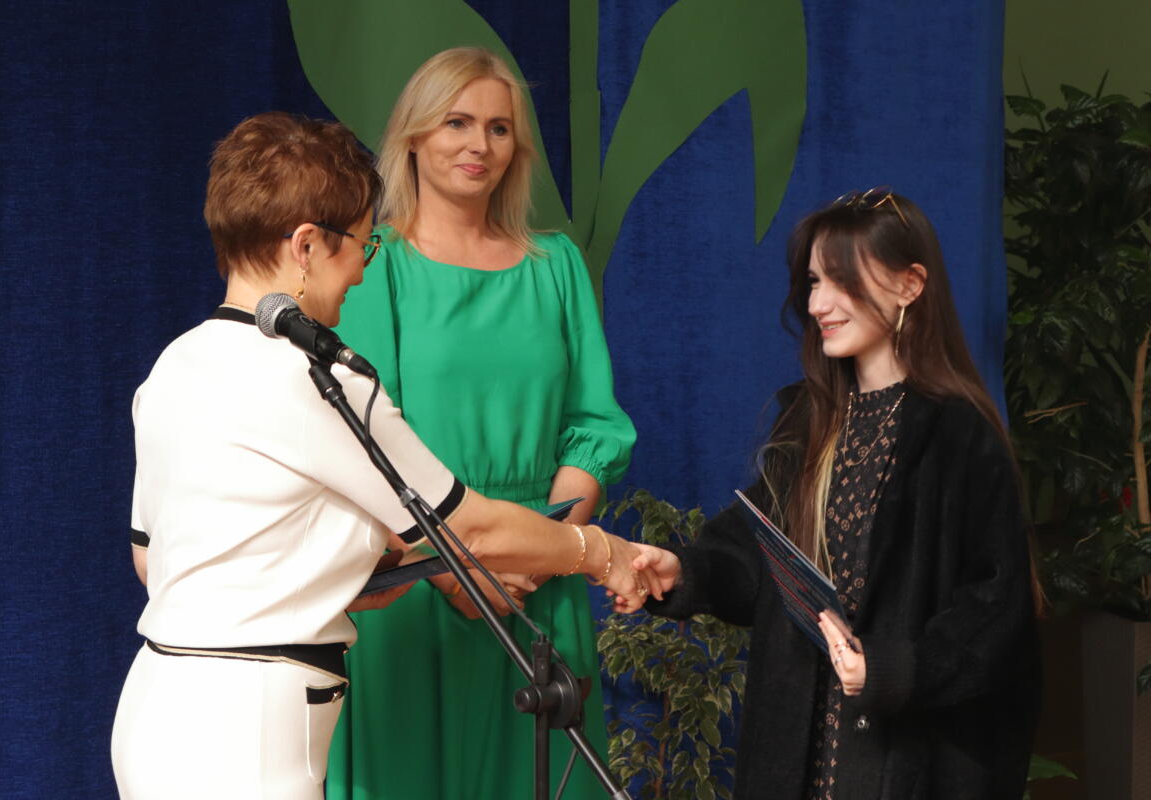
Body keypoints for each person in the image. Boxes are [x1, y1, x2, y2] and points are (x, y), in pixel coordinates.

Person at [110, 112, 652, 800]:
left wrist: (343, 571)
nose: (363, 272)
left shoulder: (175, 365)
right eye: (361, 246)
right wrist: (603, 553)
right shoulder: (317, 379)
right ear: (307, 245)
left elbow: (155, 561)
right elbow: (472, 526)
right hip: (252, 730)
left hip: (156, 707)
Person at [622, 189, 1041, 799]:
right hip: (793, 753)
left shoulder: (960, 434)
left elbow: (996, 610)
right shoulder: (807, 420)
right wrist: (684, 572)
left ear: (910, 284)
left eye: (842, 280)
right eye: (815, 281)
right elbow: (753, 556)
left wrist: (893, 671)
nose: (818, 303)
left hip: (903, 765)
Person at [327, 48, 636, 800]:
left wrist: (539, 555)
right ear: (413, 136)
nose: (480, 145)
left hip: (538, 587)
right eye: (457, 123)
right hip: (418, 582)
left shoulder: (556, 265)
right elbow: (362, 442)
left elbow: (593, 428)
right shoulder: (374, 264)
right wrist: (459, 571)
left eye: (499, 128)